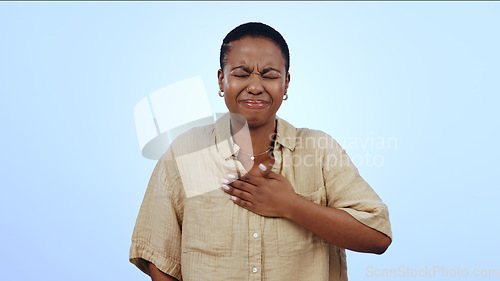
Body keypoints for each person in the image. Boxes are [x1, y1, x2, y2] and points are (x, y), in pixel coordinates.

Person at [129, 22, 392, 281]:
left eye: (269, 75)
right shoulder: (185, 151)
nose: (255, 86)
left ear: (286, 84)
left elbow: (377, 236)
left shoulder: (320, 149)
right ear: (222, 80)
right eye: (241, 74)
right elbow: (160, 256)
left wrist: (292, 206)